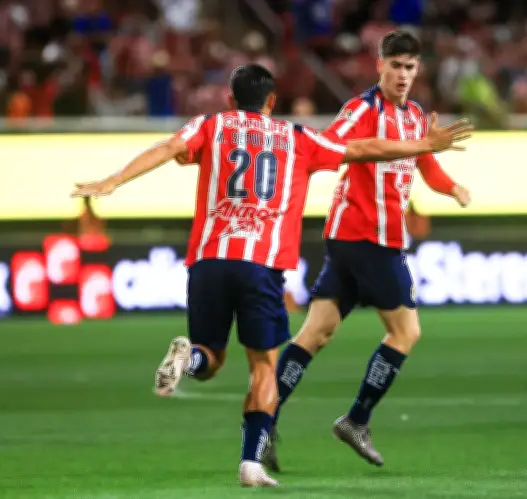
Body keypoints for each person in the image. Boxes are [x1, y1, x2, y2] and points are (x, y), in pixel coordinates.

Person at [69, 63, 473, 488]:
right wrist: (422, 145)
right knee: (264, 365)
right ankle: (251, 464)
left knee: (210, 358)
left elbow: (169, 147)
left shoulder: (210, 125)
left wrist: (114, 181)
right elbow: (362, 148)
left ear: (231, 99)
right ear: (272, 101)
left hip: (208, 260)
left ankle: (189, 359)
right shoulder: (296, 137)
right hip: (261, 265)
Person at [264, 31, 472, 471]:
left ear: (417, 69)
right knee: (406, 333)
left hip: (355, 240)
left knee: (315, 334)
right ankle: (356, 419)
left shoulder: (416, 116)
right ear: (380, 66)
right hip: (369, 239)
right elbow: (330, 147)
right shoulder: (362, 110)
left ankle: (263, 421)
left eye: (409, 67)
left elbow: (426, 164)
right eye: (395, 65)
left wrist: (452, 187)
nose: (402, 74)